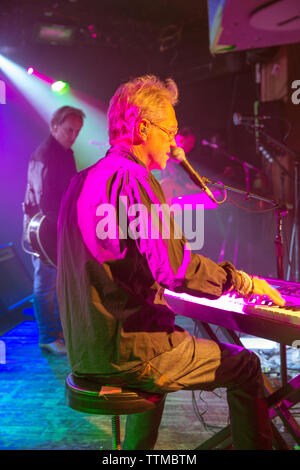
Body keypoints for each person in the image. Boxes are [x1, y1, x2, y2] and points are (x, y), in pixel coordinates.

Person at [56, 75, 285, 449]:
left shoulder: (80, 182)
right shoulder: (135, 178)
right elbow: (175, 269)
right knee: (246, 367)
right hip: (131, 351)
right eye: (170, 131)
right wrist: (242, 282)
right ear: (142, 128)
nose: (175, 144)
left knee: (159, 361)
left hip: (86, 351)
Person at [22, 105, 85, 354]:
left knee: (58, 282)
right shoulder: (45, 155)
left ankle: (57, 332)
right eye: (69, 130)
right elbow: (45, 201)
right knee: (45, 283)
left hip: (55, 226)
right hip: (42, 229)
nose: (73, 136)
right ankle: (48, 336)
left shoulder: (65, 153)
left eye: (77, 132)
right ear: (54, 126)